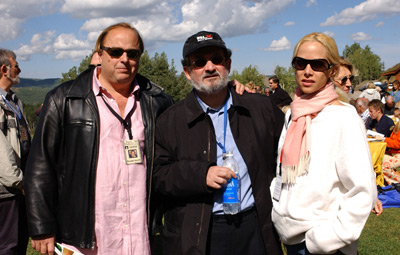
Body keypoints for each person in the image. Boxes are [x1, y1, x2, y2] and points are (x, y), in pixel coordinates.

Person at [24, 22, 174, 255]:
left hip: (138, 233)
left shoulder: (157, 101)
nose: (124, 59)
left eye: (132, 53)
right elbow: (40, 165)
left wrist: (230, 92)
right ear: (100, 53)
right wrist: (41, 225)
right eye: (115, 52)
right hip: (84, 236)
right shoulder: (64, 99)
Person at [153, 31, 284, 255]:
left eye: (217, 59)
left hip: (255, 226)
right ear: (187, 72)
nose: (210, 67)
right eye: (200, 62)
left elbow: (285, 156)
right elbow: (157, 175)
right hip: (202, 232)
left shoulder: (260, 109)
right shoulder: (169, 121)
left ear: (228, 65)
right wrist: (199, 175)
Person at [270, 32, 376, 255]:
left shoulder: (344, 117)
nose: (307, 71)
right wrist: (278, 207)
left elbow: (362, 191)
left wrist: (324, 240)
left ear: (332, 70)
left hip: (323, 245)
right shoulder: (293, 113)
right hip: (290, 237)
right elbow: (282, 170)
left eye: (317, 64)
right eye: (300, 63)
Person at [0, 49, 31, 255]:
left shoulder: (13, 100)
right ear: (4, 69)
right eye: (16, 66)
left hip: (19, 187)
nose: (19, 70)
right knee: (7, 246)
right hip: (6, 191)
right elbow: (1, 153)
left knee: (19, 242)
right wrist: (19, 182)